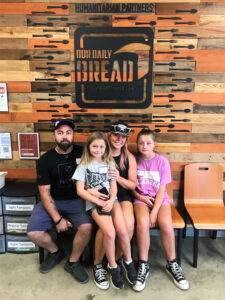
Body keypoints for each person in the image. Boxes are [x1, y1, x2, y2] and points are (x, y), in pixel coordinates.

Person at [27, 119, 92, 284]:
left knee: (87, 227)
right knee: (33, 233)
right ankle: (56, 251)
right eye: (60, 133)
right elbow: (45, 193)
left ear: (73, 135)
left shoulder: (84, 153)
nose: (65, 137)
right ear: (54, 135)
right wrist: (57, 219)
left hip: (76, 199)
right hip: (52, 200)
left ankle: (73, 261)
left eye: (68, 133)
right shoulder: (45, 161)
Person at [72, 131, 136, 290]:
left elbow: (113, 187)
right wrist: (98, 202)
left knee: (122, 230)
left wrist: (111, 200)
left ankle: (128, 261)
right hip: (94, 204)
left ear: (105, 148)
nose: (98, 149)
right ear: (89, 147)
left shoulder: (109, 163)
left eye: (101, 146)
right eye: (94, 146)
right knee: (110, 232)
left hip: (111, 201)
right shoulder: (83, 165)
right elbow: (80, 191)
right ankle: (113, 267)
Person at [132, 127, 189, 292]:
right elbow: (131, 188)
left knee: (166, 224)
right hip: (141, 199)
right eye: (141, 143)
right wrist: (140, 196)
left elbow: (162, 190)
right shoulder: (134, 161)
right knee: (142, 222)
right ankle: (143, 264)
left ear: (154, 144)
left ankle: (172, 264)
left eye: (148, 143)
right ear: (137, 144)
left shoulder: (162, 162)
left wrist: (155, 211)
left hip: (159, 200)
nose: (144, 146)